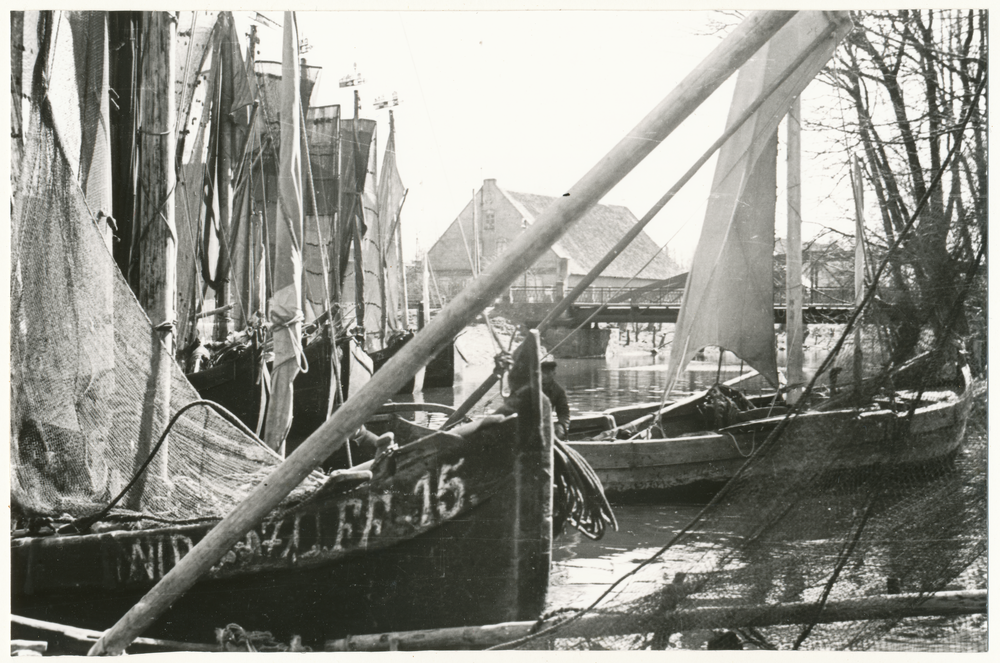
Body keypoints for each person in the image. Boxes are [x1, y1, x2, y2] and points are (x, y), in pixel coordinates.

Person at [541, 357, 571, 440]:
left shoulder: (559, 391)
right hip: (528, 423)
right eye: (542, 372)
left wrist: (561, 425)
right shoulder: (530, 387)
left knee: (559, 432)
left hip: (545, 424)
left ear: (554, 373)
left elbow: (564, 413)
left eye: (547, 372)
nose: (544, 375)